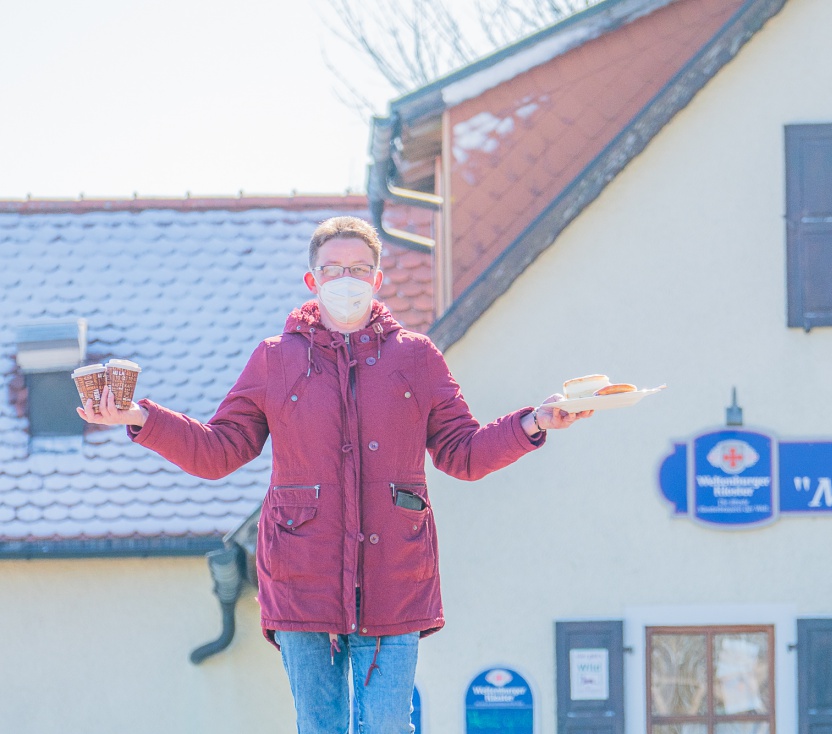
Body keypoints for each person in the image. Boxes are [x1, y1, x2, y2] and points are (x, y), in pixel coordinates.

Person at [78, 216, 591, 734]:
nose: (346, 278)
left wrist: (534, 422)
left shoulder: (416, 358)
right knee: (320, 725)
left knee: (387, 725)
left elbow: (464, 454)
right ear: (313, 280)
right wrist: (141, 418)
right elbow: (220, 451)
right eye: (334, 268)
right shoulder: (275, 360)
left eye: (359, 268)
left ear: (376, 280)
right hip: (303, 579)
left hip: (394, 576)